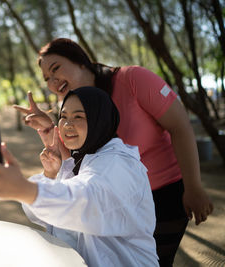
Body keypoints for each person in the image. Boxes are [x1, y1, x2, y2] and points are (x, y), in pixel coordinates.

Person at [14, 38, 214, 266]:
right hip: (113, 201)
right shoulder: (73, 108)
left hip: (165, 191)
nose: (52, 81)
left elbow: (180, 125)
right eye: (47, 78)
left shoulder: (133, 79)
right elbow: (72, 161)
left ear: (81, 61)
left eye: (56, 68)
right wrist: (50, 127)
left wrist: (194, 186)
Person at [0, 86, 158, 266]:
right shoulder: (84, 158)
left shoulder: (117, 164)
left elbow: (82, 201)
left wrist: (24, 189)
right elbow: (52, 219)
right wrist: (50, 175)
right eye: (63, 116)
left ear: (100, 120)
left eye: (78, 117)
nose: (68, 124)